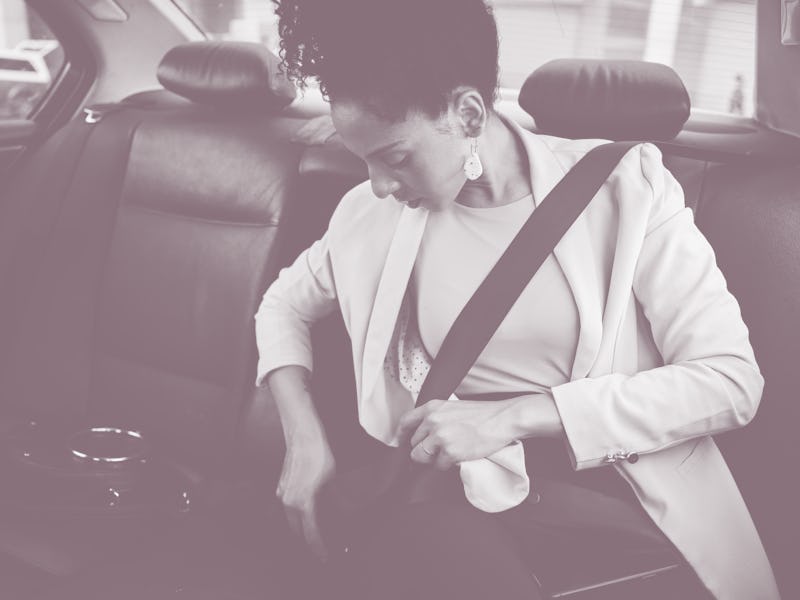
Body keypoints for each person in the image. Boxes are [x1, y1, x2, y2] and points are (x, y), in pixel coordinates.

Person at [255, 1, 779, 598]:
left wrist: (508, 418)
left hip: (617, 496)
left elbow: (731, 382)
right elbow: (282, 306)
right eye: (364, 159)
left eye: (396, 157)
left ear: (468, 113)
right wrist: (304, 438)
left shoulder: (630, 191)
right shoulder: (366, 216)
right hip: (452, 500)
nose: (378, 184)